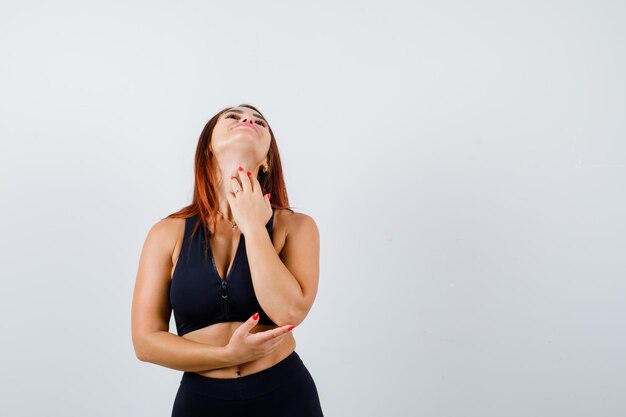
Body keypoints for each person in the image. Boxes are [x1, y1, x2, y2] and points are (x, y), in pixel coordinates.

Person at [131, 104, 325, 416]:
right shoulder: (166, 233)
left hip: (285, 396)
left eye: (259, 121)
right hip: (202, 402)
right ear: (208, 148)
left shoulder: (298, 227)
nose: (247, 120)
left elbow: (289, 311)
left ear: (267, 161)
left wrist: (253, 226)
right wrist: (228, 354)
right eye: (233, 117)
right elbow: (145, 342)